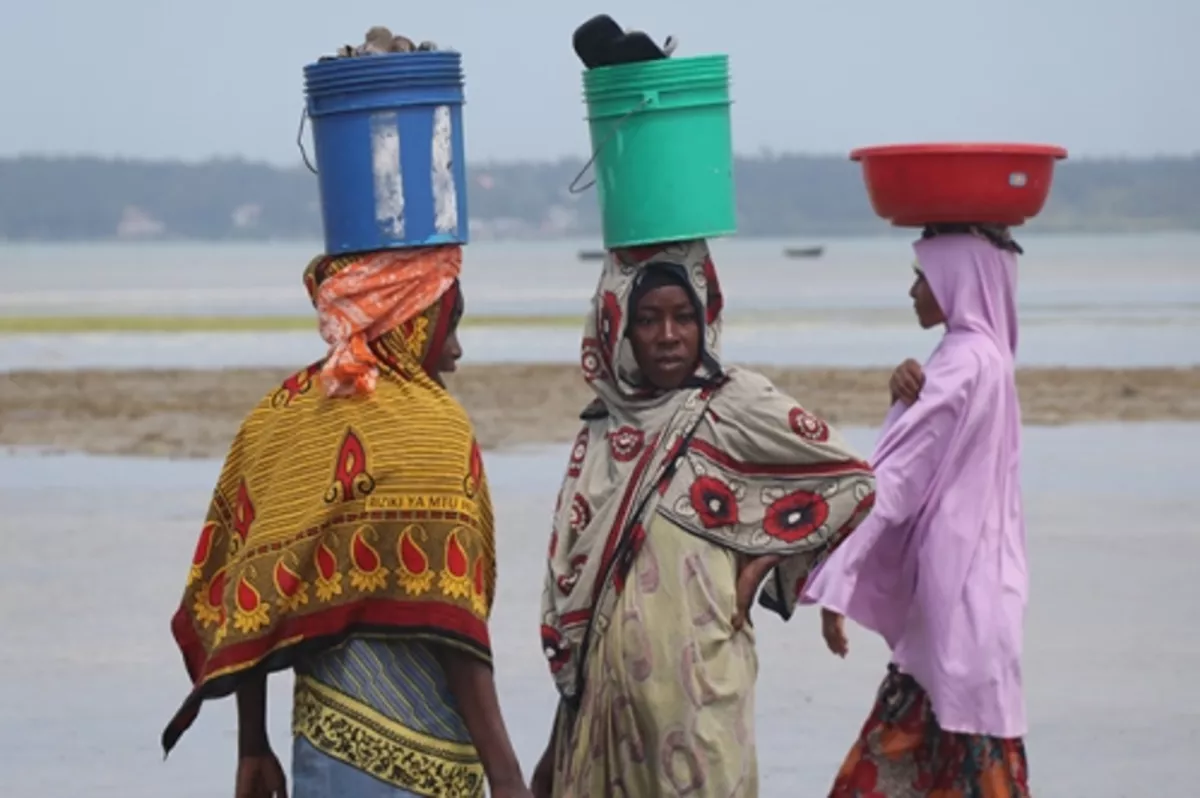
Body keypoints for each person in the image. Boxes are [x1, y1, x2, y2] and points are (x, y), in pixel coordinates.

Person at [161, 247, 532, 798]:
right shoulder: (435, 429)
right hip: (429, 748)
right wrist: (505, 774)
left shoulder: (282, 413)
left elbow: (251, 591)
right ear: (410, 319)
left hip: (324, 747)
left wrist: (252, 744)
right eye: (446, 326)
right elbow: (453, 618)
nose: (454, 351)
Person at [529, 240, 877, 797]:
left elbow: (851, 484)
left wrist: (769, 555)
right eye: (647, 319)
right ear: (617, 327)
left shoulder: (735, 407)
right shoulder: (600, 433)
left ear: (705, 317)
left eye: (683, 316)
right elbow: (583, 613)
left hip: (700, 711)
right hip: (601, 724)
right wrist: (552, 753)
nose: (668, 335)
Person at [804, 226, 1032, 797]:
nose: (911, 291)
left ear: (957, 280)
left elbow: (897, 481)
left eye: (921, 276)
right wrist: (902, 404)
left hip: (956, 615)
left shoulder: (959, 364)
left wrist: (836, 580)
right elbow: (933, 461)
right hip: (984, 609)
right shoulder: (989, 359)